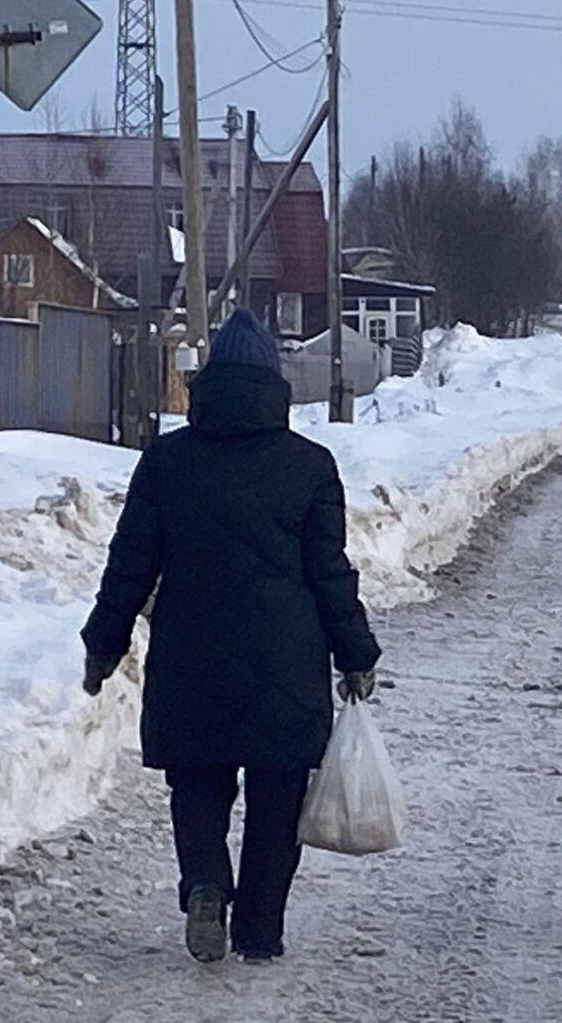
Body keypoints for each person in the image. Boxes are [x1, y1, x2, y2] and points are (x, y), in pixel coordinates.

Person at [81, 308, 381, 963]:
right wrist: (356, 655)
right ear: (273, 384)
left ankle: (207, 887)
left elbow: (131, 561)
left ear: (207, 382)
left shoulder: (167, 461)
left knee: (197, 785)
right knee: (278, 798)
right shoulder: (309, 466)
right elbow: (330, 572)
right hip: (287, 664)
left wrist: (104, 644)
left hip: (190, 659)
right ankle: (260, 931)